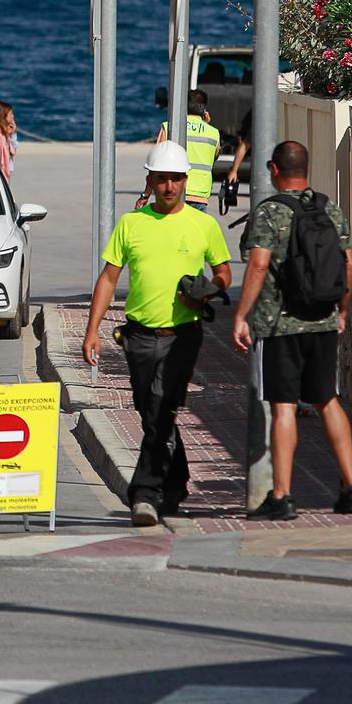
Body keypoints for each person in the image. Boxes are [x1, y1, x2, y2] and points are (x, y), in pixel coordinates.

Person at [83, 141, 233, 527]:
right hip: (138, 336)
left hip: (184, 335)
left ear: (186, 181)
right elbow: (108, 278)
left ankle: (144, 493)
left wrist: (207, 289)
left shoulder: (204, 225)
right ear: (150, 181)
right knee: (152, 412)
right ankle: (177, 482)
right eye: (162, 178)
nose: (170, 186)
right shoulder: (131, 224)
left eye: (176, 179)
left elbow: (224, 274)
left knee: (162, 407)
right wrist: (92, 330)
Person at [230, 140, 352, 520]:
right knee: (328, 400)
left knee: (284, 405)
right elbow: (350, 265)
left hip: (280, 325)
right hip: (322, 321)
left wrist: (241, 316)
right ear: (306, 168)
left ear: (274, 170)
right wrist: (341, 311)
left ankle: (283, 495)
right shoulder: (327, 208)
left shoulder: (270, 213)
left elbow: (257, 266)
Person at [154, 90, 221, 210]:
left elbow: (157, 163)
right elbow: (214, 157)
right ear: (204, 110)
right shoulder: (213, 133)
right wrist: (205, 124)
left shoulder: (169, 127)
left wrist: (146, 194)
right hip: (200, 194)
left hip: (174, 192)